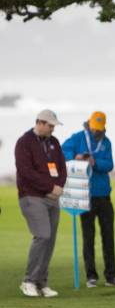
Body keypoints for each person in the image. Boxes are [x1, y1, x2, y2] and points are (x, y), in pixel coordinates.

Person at [62, 111, 115, 288]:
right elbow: (63, 150)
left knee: (108, 236)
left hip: (104, 195)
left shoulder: (106, 142)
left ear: (103, 127)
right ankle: (91, 276)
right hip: (85, 195)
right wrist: (74, 157)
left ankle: (111, 276)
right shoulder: (78, 137)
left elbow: (109, 165)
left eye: (99, 129)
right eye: (94, 128)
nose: (96, 132)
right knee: (88, 237)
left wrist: (94, 162)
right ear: (89, 124)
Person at [15, 109, 67, 297]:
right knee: (43, 235)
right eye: (50, 126)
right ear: (40, 123)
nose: (53, 129)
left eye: (54, 126)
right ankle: (28, 280)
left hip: (53, 197)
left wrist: (59, 186)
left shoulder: (53, 142)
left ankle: (41, 282)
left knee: (50, 240)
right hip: (32, 196)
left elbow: (61, 168)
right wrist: (49, 187)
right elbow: (26, 171)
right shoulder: (24, 142)